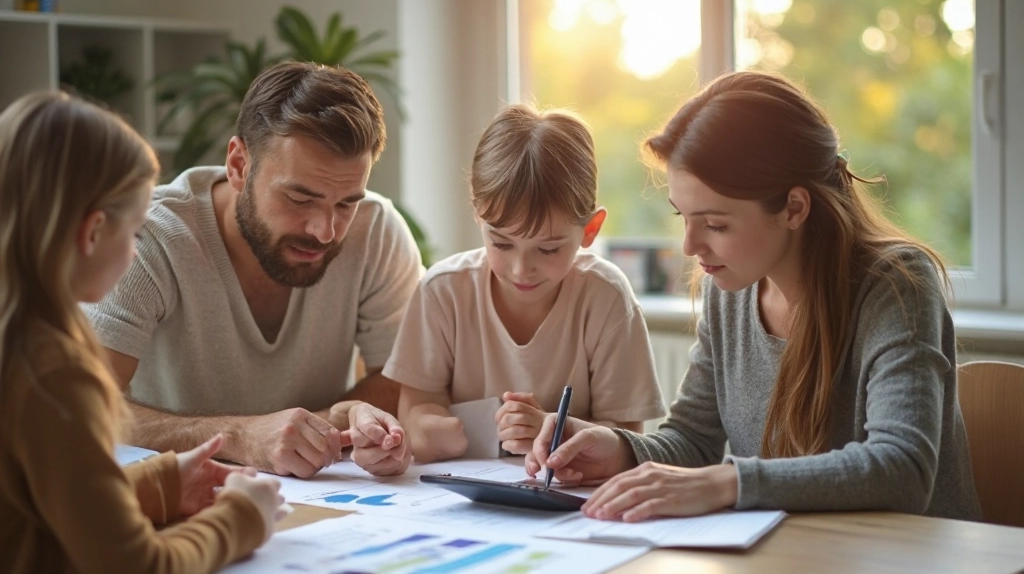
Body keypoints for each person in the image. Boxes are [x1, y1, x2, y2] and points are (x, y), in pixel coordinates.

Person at [527, 72, 983, 522]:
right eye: (683, 216)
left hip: (908, 554)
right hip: (798, 551)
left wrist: (729, 483)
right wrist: (619, 449)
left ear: (794, 208)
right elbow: (693, 439)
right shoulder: (729, 289)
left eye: (715, 224)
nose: (690, 246)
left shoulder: (896, 285)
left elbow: (902, 470)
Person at [85, 62, 421, 478]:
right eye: (300, 199)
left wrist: (332, 426)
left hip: (321, 495)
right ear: (239, 165)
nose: (325, 231)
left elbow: (402, 379)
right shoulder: (149, 239)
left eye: (345, 203)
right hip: (173, 493)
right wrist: (239, 437)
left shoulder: (377, 231)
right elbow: (80, 404)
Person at [0, 91, 286, 573]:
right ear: (92, 232)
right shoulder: (53, 372)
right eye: (134, 233)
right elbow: (137, 565)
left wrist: (160, 484)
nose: (136, 252)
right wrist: (243, 516)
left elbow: (49, 500)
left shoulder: (19, 343)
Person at [386, 104, 665, 463]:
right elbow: (415, 412)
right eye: (501, 243)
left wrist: (554, 431)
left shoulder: (606, 298)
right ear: (478, 213)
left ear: (590, 229)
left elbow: (627, 439)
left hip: (569, 492)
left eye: (548, 249)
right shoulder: (443, 292)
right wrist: (450, 431)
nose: (521, 270)